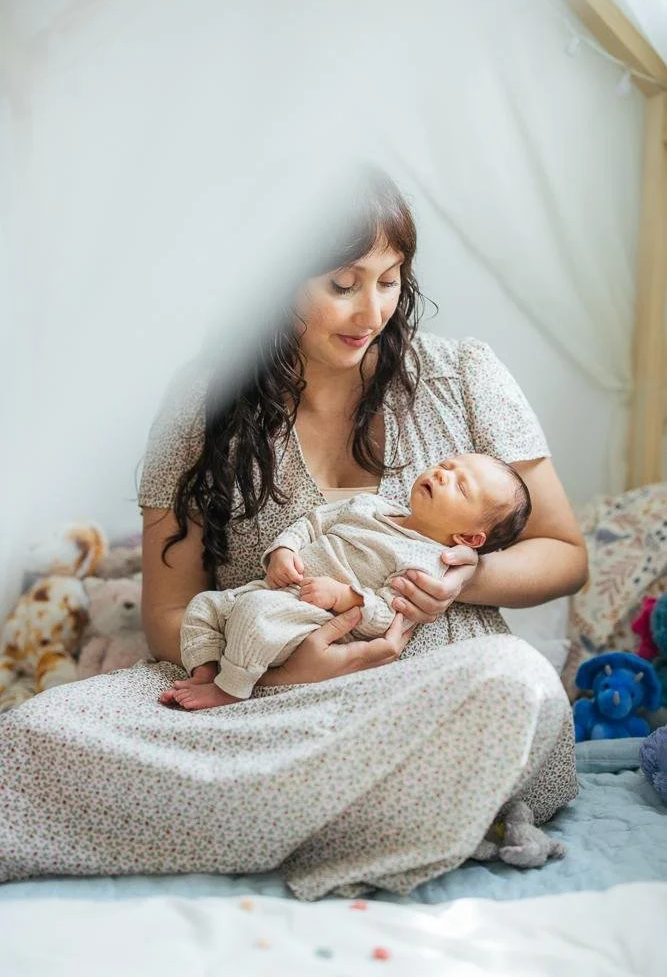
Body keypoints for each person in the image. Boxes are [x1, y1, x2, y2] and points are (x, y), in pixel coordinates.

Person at [0, 168, 586, 901]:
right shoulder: (199, 402)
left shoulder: (462, 375)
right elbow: (165, 618)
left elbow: (564, 554)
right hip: (254, 701)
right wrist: (281, 670)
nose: (370, 309)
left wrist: (467, 575)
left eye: (389, 279)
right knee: (35, 736)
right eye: (341, 284)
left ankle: (263, 815)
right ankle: (347, 814)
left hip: (431, 697)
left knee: (517, 683)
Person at [164, 452, 532, 709]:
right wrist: (283, 551)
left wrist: (347, 597)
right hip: (278, 589)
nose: (441, 474)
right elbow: (313, 522)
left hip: (313, 620)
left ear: (469, 539)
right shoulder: (370, 506)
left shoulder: (427, 562)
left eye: (461, 486)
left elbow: (391, 614)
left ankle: (230, 690)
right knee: (205, 605)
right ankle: (206, 670)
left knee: (255, 615)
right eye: (446, 465)